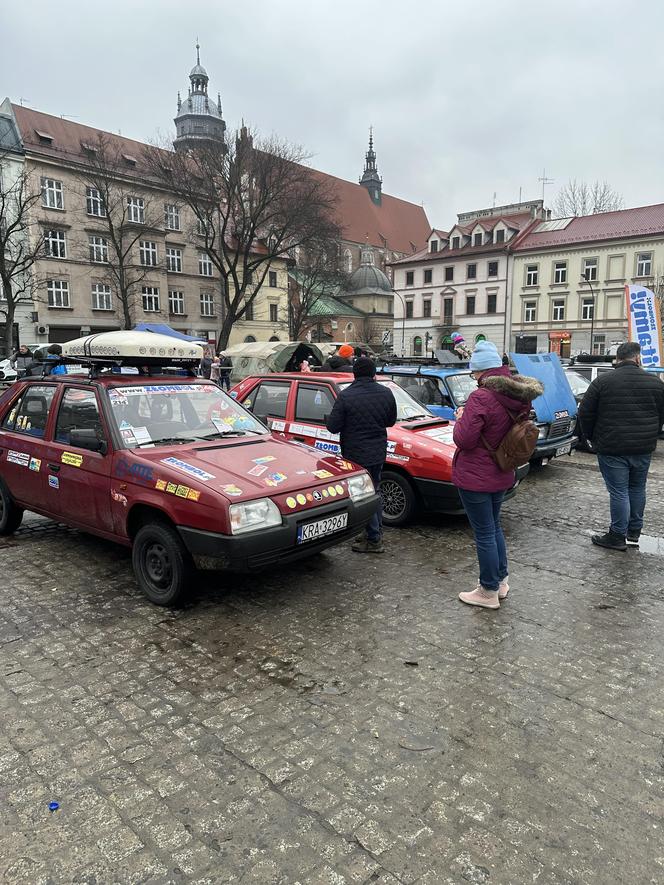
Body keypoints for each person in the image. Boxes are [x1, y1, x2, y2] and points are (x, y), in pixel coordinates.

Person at [453, 340, 543, 609]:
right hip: (502, 469)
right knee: (493, 527)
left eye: (474, 373)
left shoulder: (481, 396)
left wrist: (461, 418)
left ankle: (487, 591)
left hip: (476, 474)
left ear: (482, 371)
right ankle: (501, 581)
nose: (474, 378)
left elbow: (464, 440)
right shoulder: (519, 395)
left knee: (484, 532)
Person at [578, 341, 664, 550]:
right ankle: (634, 532)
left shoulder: (603, 382)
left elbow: (585, 412)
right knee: (637, 488)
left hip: (612, 446)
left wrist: (590, 437)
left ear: (618, 359)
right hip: (643, 447)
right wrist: (652, 433)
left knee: (619, 491)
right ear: (637, 358)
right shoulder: (655, 383)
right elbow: (661, 415)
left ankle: (617, 535)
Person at [325, 357, 397, 553]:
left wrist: (329, 419)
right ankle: (375, 532)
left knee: (364, 495)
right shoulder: (386, 392)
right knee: (375, 490)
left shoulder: (346, 396)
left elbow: (333, 427)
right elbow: (391, 421)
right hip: (378, 451)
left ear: (354, 374)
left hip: (355, 454)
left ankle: (373, 539)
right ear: (373, 373)